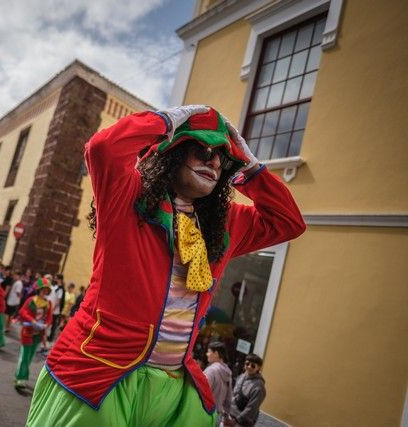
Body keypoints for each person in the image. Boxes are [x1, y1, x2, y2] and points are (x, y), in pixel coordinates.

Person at [25, 105, 305, 425]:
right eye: (200, 149)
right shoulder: (127, 198)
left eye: (220, 158)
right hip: (100, 374)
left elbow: (289, 223)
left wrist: (250, 168)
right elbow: (103, 148)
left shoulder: (226, 224)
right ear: (172, 153)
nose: (212, 161)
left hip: (173, 387)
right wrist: (170, 119)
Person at [15, 277, 53, 390]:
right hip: (27, 332)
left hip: (38, 334)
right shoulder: (31, 300)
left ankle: (21, 377)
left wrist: (46, 325)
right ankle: (20, 379)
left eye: (47, 290)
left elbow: (50, 318)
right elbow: (22, 311)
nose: (45, 292)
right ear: (39, 290)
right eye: (43, 289)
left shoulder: (48, 303)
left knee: (30, 357)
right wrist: (32, 321)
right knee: (24, 357)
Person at [223, 354, 266, 427]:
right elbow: (234, 395)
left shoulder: (259, 387)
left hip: (242, 422)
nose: (249, 367)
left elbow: (252, 408)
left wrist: (236, 420)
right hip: (231, 415)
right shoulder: (242, 376)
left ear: (258, 368)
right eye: (247, 364)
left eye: (253, 365)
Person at [204, 341, 233, 424]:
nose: (206, 354)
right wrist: (226, 415)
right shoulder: (228, 372)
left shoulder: (211, 371)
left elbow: (201, 393)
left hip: (205, 413)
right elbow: (229, 397)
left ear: (216, 353)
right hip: (218, 415)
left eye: (208, 351)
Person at [47, 273, 66, 343]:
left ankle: (50, 337)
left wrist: (53, 308)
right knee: (50, 323)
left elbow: (58, 301)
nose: (55, 279)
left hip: (55, 310)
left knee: (53, 324)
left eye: (56, 278)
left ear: (59, 279)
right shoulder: (57, 287)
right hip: (52, 308)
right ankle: (48, 335)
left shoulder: (60, 289)